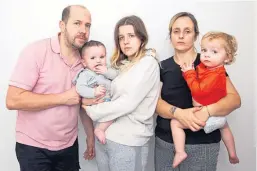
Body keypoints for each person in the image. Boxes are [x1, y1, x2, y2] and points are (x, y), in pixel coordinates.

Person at [6, 5, 96, 171]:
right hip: (34, 147)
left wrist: (90, 136)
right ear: (62, 25)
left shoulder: (85, 60)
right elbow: (12, 99)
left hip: (69, 145)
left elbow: (81, 102)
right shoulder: (36, 51)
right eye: (77, 23)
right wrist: (63, 97)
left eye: (87, 25)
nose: (83, 30)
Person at [155, 12, 241, 171]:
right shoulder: (162, 67)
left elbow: (234, 99)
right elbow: (155, 103)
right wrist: (178, 113)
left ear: (195, 35)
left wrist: (207, 111)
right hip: (165, 143)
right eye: (176, 31)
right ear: (170, 36)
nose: (181, 36)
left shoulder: (210, 61)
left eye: (187, 31)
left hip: (203, 144)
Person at [82, 15, 160, 171]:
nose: (125, 41)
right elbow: (112, 96)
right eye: (121, 37)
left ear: (141, 38)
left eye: (131, 36)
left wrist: (90, 109)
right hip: (106, 138)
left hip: (129, 140)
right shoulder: (123, 65)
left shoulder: (148, 63)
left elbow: (127, 103)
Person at [171, 31, 240, 168]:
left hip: (205, 115)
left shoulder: (216, 74)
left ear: (227, 57)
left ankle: (180, 152)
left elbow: (198, 91)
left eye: (214, 52)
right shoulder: (211, 69)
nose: (207, 54)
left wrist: (188, 72)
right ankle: (232, 153)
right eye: (204, 50)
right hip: (217, 116)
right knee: (224, 127)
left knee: (175, 123)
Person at [73, 40, 119, 144]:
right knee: (110, 113)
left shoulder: (106, 69)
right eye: (93, 58)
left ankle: (103, 129)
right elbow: (80, 88)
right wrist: (94, 91)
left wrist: (106, 72)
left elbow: (117, 76)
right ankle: (100, 129)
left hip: (108, 100)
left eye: (102, 57)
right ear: (84, 62)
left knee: (115, 112)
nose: (98, 61)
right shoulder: (85, 74)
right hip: (96, 103)